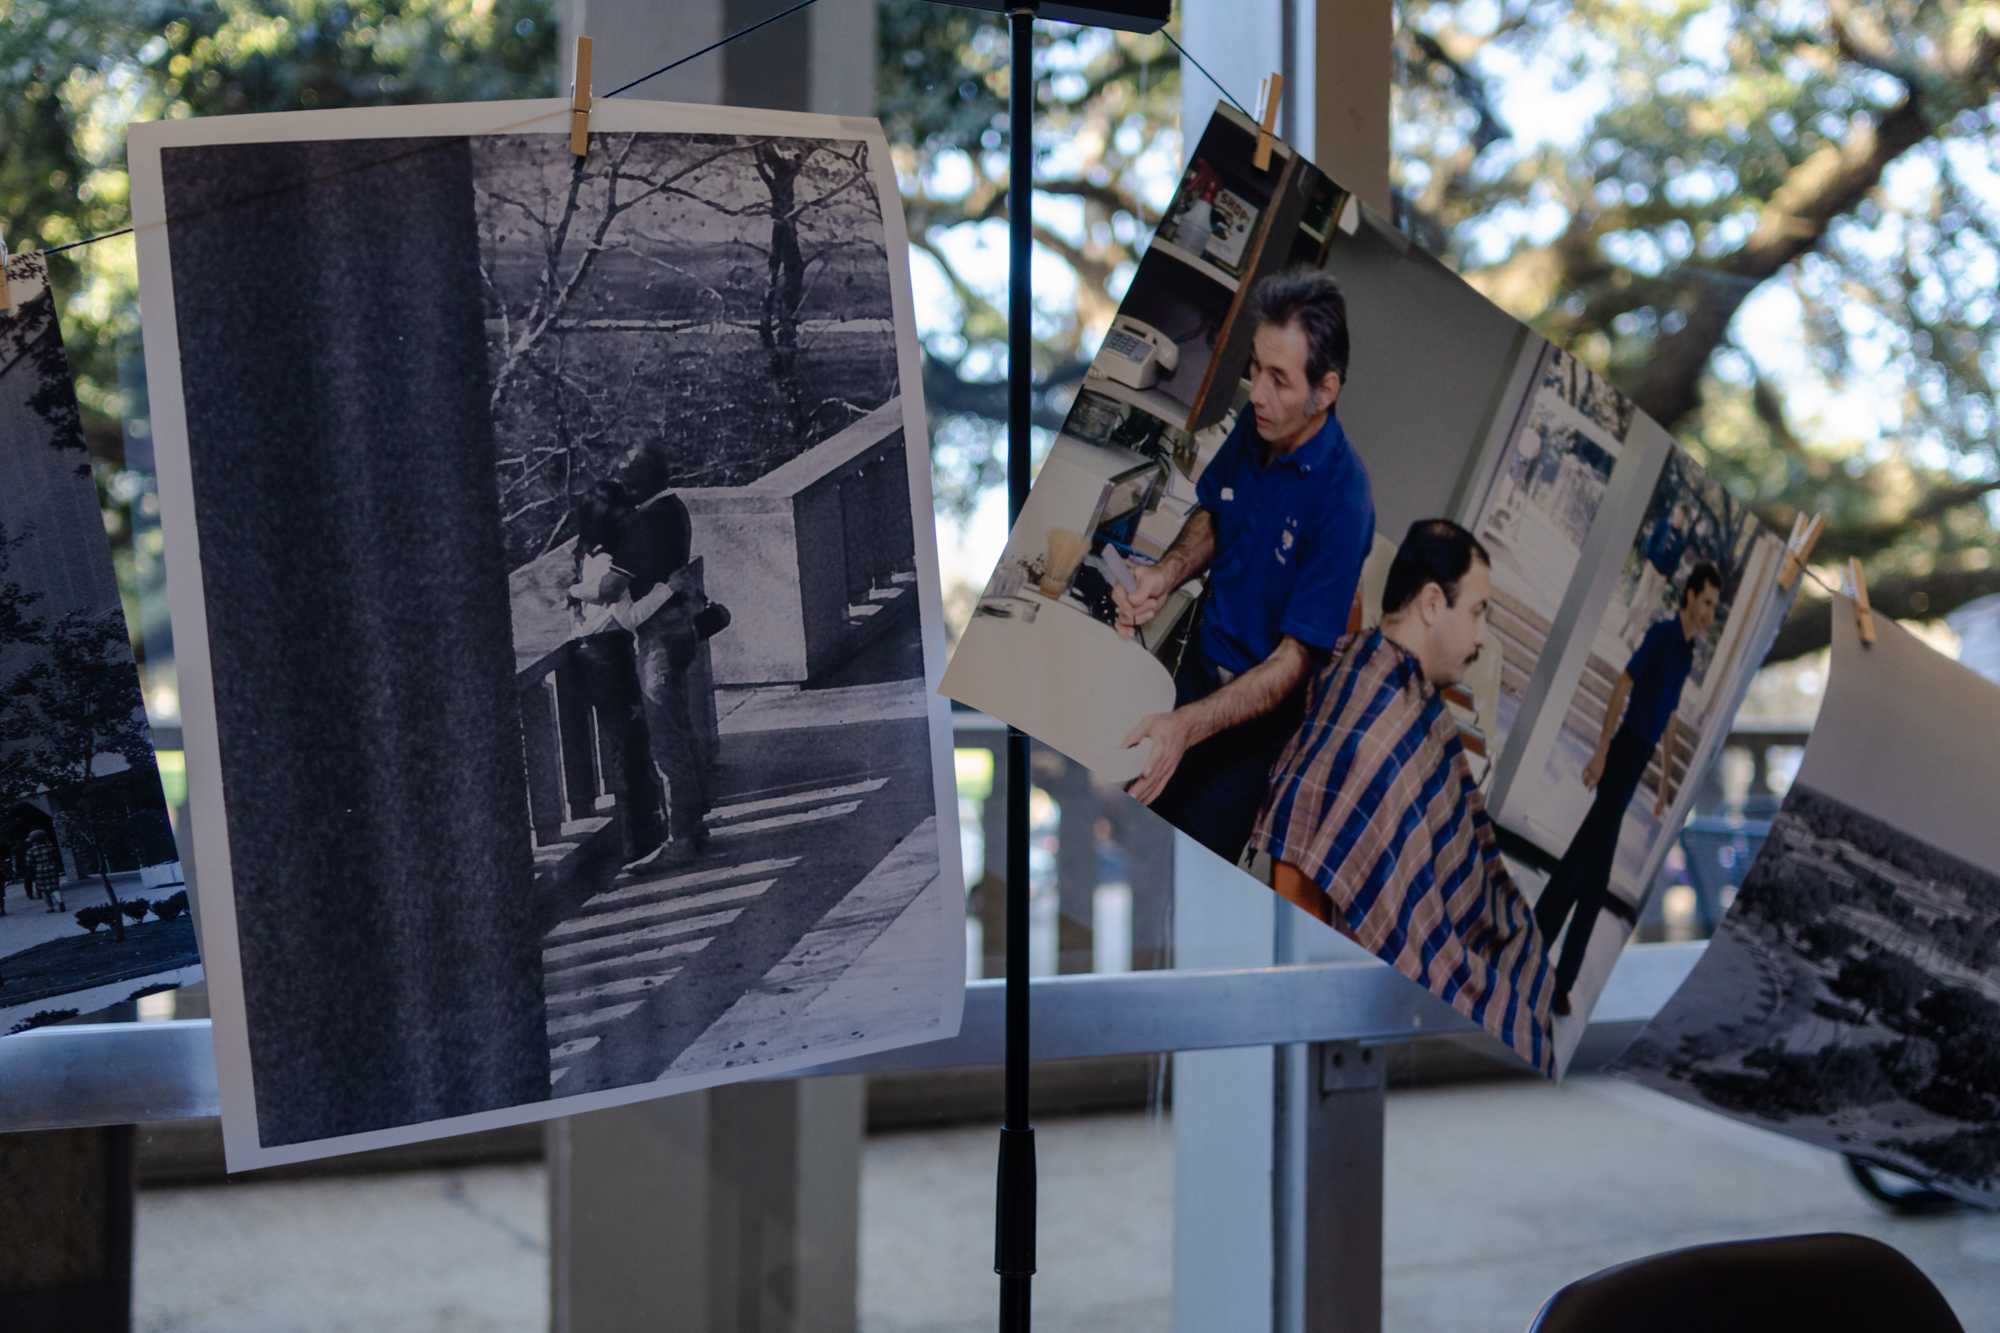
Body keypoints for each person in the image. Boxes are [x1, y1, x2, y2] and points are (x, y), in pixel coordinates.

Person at [1250, 519, 1557, 1073]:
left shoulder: (1379, 671)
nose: (1482, 636)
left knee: (1522, 948)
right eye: (1479, 611)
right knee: (1515, 1005)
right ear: (1433, 602)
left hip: (1468, 913)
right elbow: (1311, 871)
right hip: (1430, 952)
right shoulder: (1378, 736)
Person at [1113, 268, 1375, 864]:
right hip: (1192, 675)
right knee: (1135, 854)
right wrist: (1164, 573)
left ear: (1324, 391)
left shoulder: (1345, 502)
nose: (1256, 392)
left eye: (1279, 379)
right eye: (1256, 367)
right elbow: (1215, 516)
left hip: (1249, 734)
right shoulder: (1258, 427)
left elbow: (1293, 662)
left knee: (1188, 883)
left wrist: (1189, 727)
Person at [1536, 560, 1723, 1015]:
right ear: (1690, 595)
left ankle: (1532, 944)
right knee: (1593, 875)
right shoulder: (1662, 636)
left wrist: (1661, 786)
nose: (1709, 612)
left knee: (1584, 862)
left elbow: (1670, 720)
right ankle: (1558, 981)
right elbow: (1623, 683)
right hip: (1622, 756)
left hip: (1637, 762)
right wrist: (1601, 752)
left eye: (1716, 607)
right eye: (1707, 602)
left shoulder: (1687, 654)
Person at [572, 478, 720, 869]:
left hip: (646, 651)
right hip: (664, 643)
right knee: (678, 733)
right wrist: (669, 589)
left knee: (666, 741)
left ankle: (682, 836)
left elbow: (622, 609)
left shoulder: (605, 554)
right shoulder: (644, 532)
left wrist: (573, 592)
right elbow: (617, 602)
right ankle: (691, 826)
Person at [25, 827, 63, 913]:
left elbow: (29, 863)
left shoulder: (31, 851)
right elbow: (56, 857)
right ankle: (60, 901)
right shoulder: (50, 847)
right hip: (52, 869)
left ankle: (50, 907)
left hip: (40, 871)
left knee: (44, 890)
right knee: (55, 888)